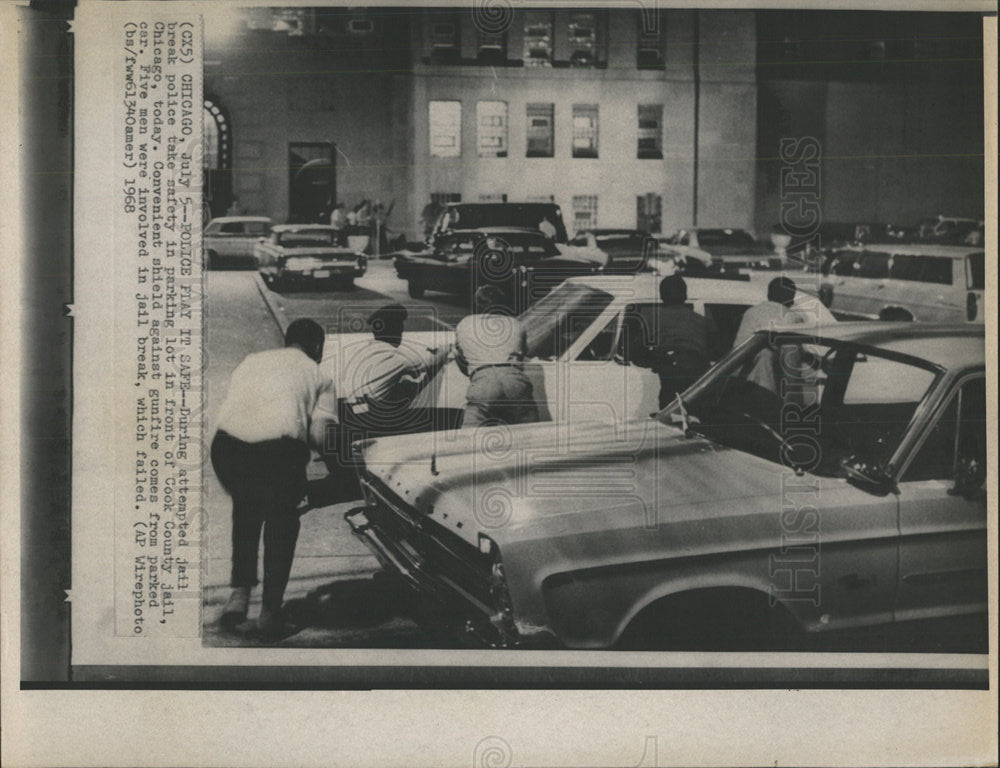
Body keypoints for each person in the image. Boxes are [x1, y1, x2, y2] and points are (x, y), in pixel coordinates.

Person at [210, 319, 335, 641]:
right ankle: (269, 614)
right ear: (318, 347)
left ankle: (238, 600)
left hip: (226, 447)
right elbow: (320, 437)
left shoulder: (252, 361)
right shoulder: (320, 375)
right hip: (277, 451)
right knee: (282, 524)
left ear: (287, 340)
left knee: (247, 510)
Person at [318, 304, 448, 500]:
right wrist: (446, 350)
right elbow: (432, 361)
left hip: (335, 417)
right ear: (397, 331)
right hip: (361, 421)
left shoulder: (361, 349)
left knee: (400, 390)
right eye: (401, 328)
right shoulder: (398, 356)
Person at [455, 286, 538, 427]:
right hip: (515, 379)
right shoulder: (516, 324)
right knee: (529, 434)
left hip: (483, 380)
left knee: (469, 437)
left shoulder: (465, 324)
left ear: (476, 304)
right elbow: (523, 353)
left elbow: (460, 357)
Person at [644, 275, 714, 408]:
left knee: (669, 418)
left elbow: (636, 350)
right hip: (700, 378)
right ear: (685, 295)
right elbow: (714, 350)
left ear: (662, 295)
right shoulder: (702, 321)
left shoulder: (650, 318)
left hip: (670, 377)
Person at [733, 276, 805, 346]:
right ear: (789, 298)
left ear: (768, 295)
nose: (793, 302)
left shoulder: (750, 312)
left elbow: (738, 347)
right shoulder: (794, 318)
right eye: (792, 297)